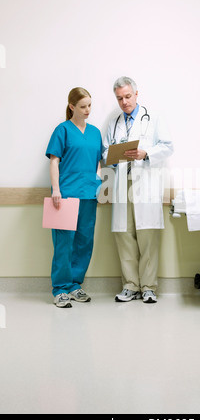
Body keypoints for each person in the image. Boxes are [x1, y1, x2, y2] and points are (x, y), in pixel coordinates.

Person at [102, 76, 173, 303]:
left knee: (148, 236)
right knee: (124, 236)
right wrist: (112, 157)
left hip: (146, 183)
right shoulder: (113, 122)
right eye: (119, 98)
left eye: (127, 96)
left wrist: (146, 153)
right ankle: (130, 286)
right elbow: (105, 151)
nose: (124, 102)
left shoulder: (152, 118)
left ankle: (149, 287)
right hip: (122, 183)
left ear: (136, 94)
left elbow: (168, 146)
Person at [46, 87, 102, 308]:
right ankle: (60, 289)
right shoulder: (62, 130)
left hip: (89, 193)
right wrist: (56, 190)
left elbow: (100, 160)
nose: (88, 110)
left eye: (90, 105)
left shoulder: (95, 132)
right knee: (64, 243)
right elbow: (53, 161)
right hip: (65, 195)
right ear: (72, 107)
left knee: (84, 242)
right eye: (83, 106)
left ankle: (74, 285)